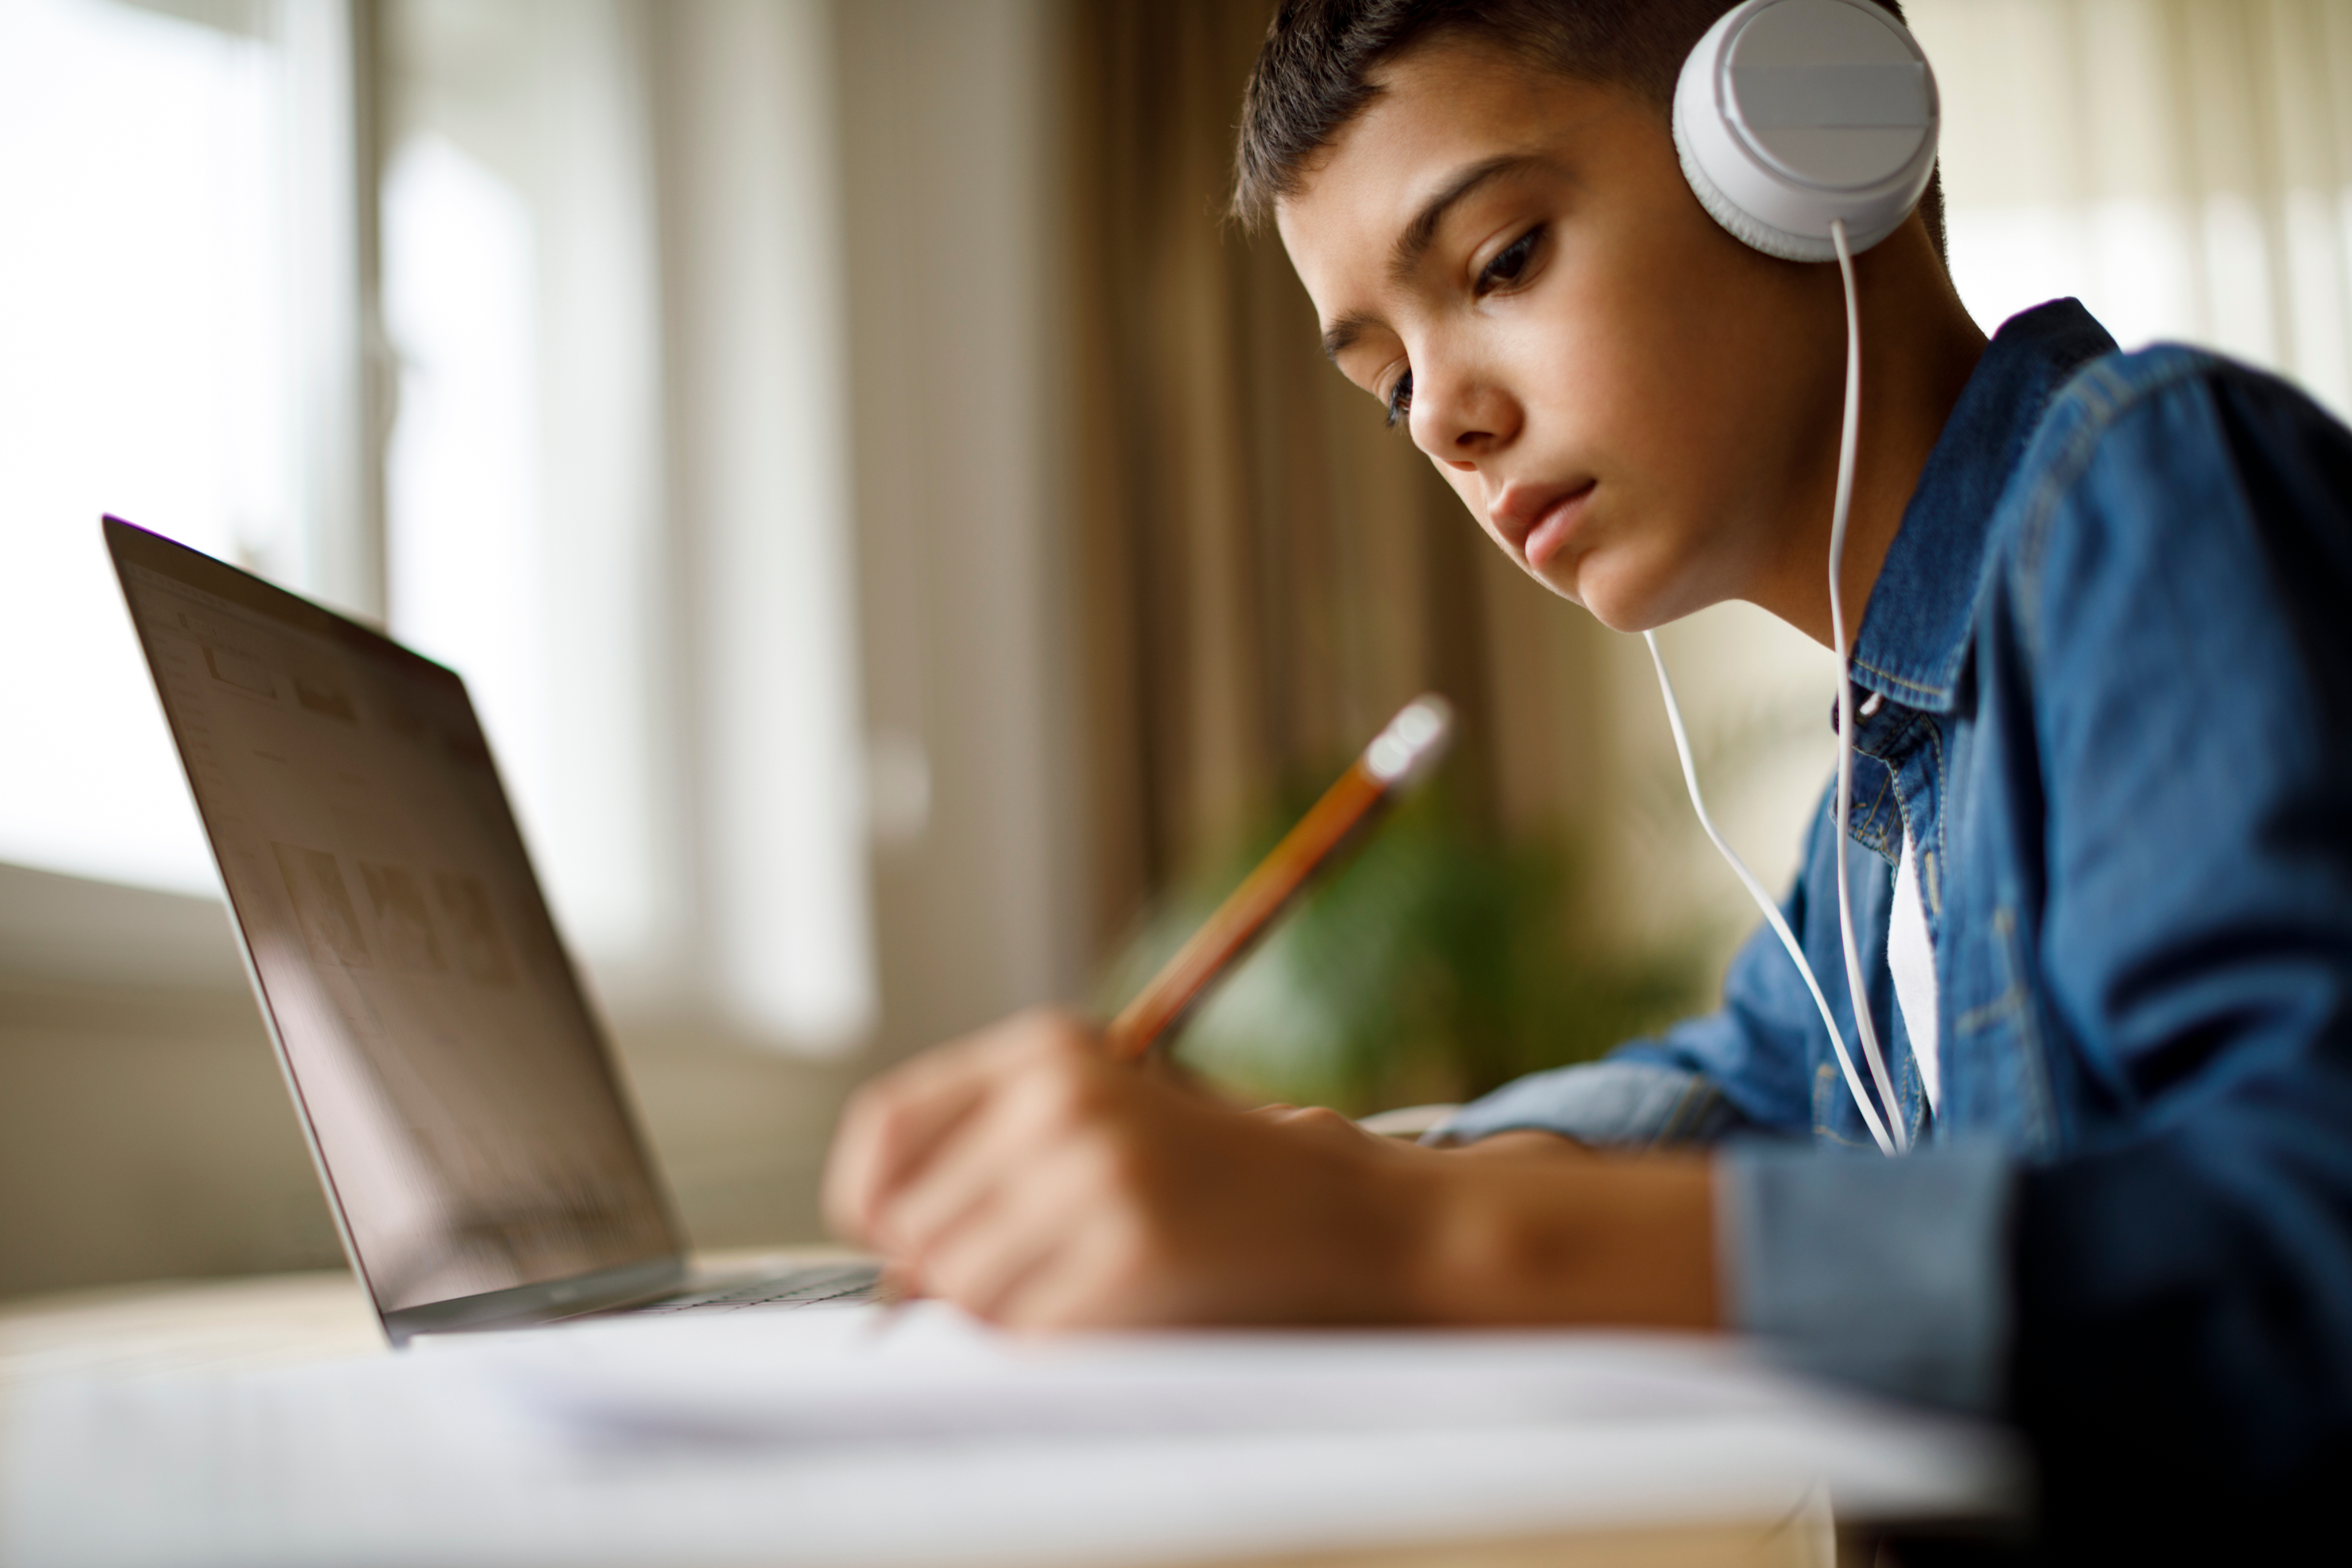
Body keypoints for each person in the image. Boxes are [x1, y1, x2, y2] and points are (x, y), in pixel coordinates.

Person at [824, 0, 2352, 1547]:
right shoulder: (1892, 793)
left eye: (1499, 264)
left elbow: (2302, 1240)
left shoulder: (2148, 493)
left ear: (1807, 135)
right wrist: (1339, 1178)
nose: (1451, 423)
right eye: (1389, 383)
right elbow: (1726, 1089)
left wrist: (1406, 1236)